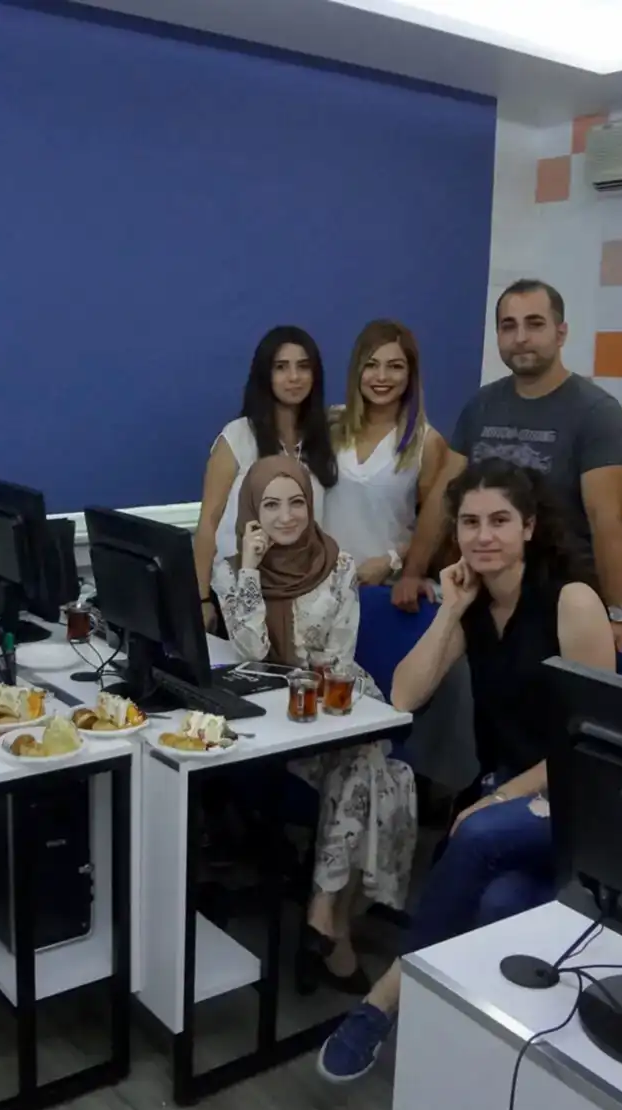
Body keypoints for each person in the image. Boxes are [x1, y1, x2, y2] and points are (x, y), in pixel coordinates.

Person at [316, 458, 616, 1083]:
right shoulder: (474, 603)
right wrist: (450, 610)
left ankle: (382, 1003)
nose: (484, 536)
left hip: (582, 797)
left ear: (529, 527)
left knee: (475, 831)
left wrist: (501, 798)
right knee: (501, 901)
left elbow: (592, 744)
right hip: (508, 800)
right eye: (470, 523)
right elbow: (404, 695)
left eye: (500, 521)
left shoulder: (571, 601)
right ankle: (475, 1054)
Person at [211, 456, 417, 994]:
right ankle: (332, 928)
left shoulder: (339, 565)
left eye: (297, 502)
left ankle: (326, 916)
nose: (286, 516)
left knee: (364, 763)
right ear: (253, 513)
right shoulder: (232, 572)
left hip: (336, 708)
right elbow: (252, 650)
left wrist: (304, 679)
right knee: (384, 776)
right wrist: (252, 570)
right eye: (271, 505)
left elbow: (338, 659)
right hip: (280, 720)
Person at [391, 280, 622, 650]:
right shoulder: (481, 405)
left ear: (561, 333)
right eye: (509, 326)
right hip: (485, 599)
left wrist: (617, 613)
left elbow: (607, 521)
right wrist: (412, 572)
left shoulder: (596, 412)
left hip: (560, 605)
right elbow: (445, 495)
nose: (520, 338)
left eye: (535, 324)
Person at [195, 327, 339, 632]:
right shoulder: (238, 437)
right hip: (236, 592)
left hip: (302, 597)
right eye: (281, 367)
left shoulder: (324, 441)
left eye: (303, 366)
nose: (294, 377)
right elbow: (208, 521)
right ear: (265, 375)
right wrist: (202, 598)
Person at [324, 320, 451, 586]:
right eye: (371, 365)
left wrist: (392, 560)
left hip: (382, 588)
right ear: (357, 370)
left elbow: (436, 530)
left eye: (395, 366)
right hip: (321, 586)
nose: (382, 377)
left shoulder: (426, 443)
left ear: (410, 374)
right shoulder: (331, 424)